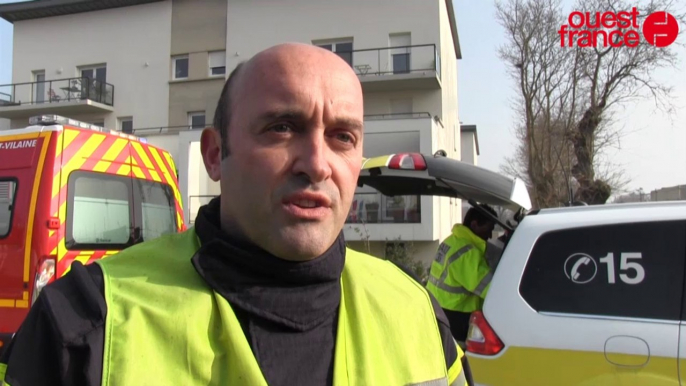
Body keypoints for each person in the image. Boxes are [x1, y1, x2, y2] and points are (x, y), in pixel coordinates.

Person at [0, 43, 473, 386]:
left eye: (342, 137)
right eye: (283, 127)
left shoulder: (418, 316)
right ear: (214, 154)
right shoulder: (83, 324)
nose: (317, 162)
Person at [426, 203, 498, 344]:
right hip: (456, 317)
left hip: (437, 310)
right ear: (475, 224)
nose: (489, 235)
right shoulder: (468, 254)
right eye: (488, 229)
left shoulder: (451, 241)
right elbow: (492, 291)